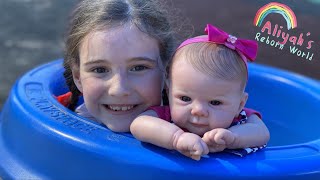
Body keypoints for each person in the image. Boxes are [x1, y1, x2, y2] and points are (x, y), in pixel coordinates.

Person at [57, 0, 268, 154]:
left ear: (167, 75)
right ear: (77, 77)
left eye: (139, 67)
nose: (119, 89)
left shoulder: (210, 112)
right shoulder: (63, 118)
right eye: (100, 70)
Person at [130, 24, 270, 160]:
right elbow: (138, 124)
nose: (198, 110)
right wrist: (176, 138)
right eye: (185, 98)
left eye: (215, 102)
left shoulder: (242, 120)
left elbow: (262, 133)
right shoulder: (166, 118)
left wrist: (233, 137)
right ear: (168, 92)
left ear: (239, 105)